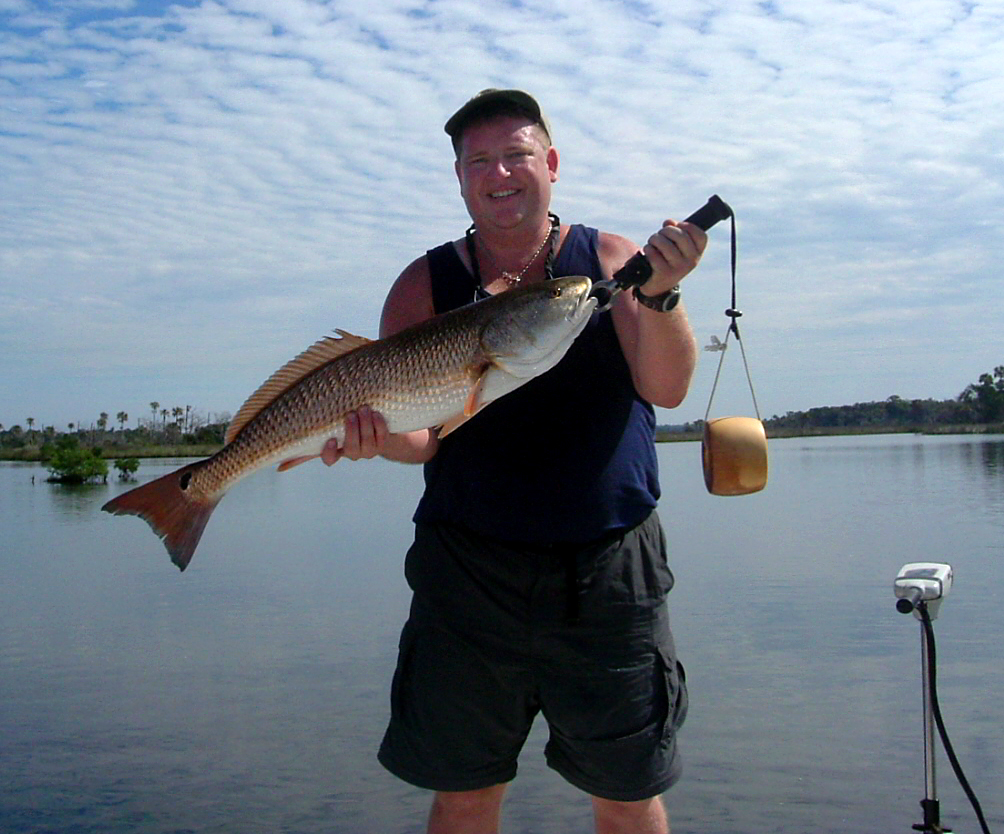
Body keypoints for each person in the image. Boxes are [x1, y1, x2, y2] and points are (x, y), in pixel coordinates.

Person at [321, 89, 706, 834]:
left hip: (609, 573)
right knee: (463, 796)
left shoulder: (609, 261)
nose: (499, 173)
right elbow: (421, 440)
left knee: (628, 795)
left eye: (516, 154)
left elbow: (667, 388)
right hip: (467, 576)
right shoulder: (423, 284)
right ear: (460, 179)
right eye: (479, 161)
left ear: (551, 164)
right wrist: (375, 436)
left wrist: (662, 298)